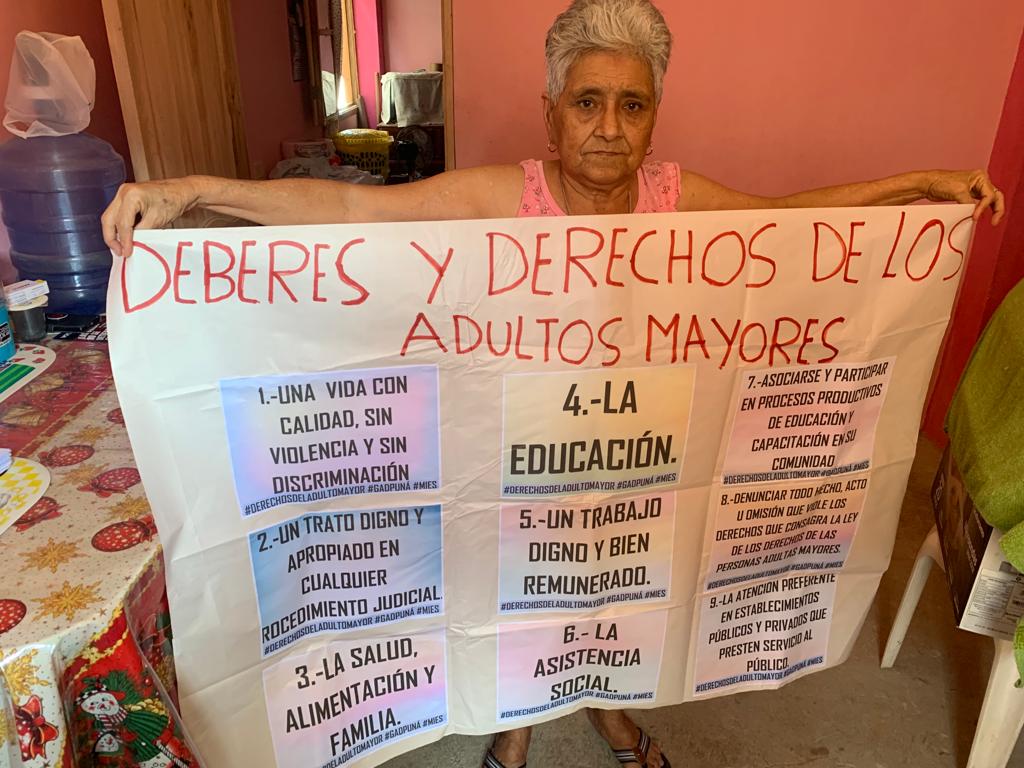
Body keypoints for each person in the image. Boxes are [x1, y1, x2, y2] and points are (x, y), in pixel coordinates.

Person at [101, 1, 1005, 766]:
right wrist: (191, 193)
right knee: (527, 587)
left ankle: (608, 709)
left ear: (655, 116)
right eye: (587, 102)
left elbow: (790, 224)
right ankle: (519, 728)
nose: (609, 127)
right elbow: (354, 208)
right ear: (551, 114)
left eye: (632, 105)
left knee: (617, 589)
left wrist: (918, 192)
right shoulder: (508, 198)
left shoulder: (675, 201)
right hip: (522, 450)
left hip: (642, 448)